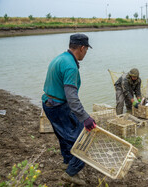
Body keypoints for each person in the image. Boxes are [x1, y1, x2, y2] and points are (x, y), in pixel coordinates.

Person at [42, 33, 96, 186]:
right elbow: (72, 97)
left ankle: (67, 162)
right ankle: (70, 173)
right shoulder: (71, 66)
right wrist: (85, 117)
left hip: (49, 103)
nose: (86, 53)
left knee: (64, 137)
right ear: (82, 47)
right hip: (59, 107)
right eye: (86, 50)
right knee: (84, 140)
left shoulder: (60, 58)